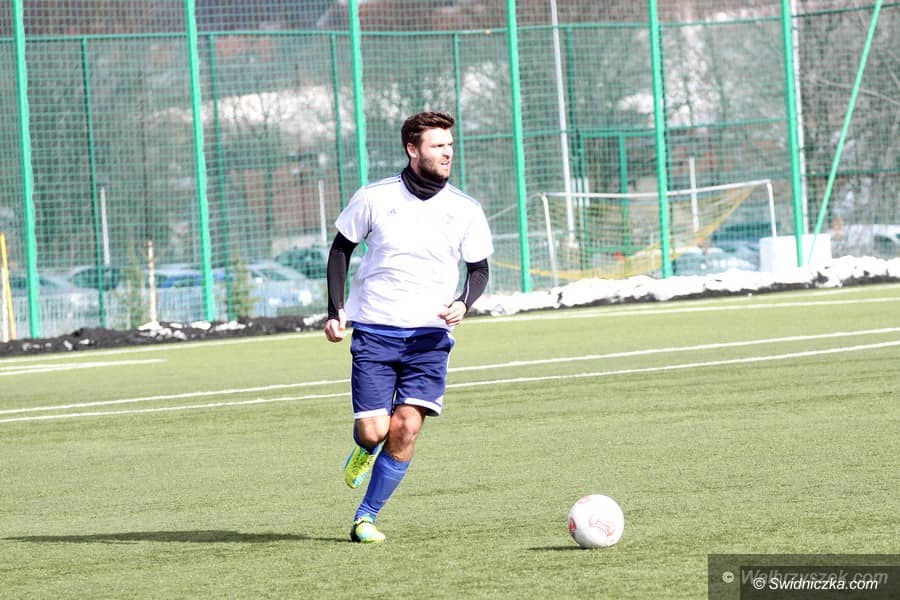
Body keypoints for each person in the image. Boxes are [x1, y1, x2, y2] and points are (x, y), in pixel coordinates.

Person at [324, 111, 493, 543]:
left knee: (405, 429)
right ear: (412, 149)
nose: (447, 152)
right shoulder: (374, 197)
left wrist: (464, 303)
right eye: (438, 146)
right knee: (374, 430)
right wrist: (336, 309)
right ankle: (364, 448)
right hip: (376, 331)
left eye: (450, 145)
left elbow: (479, 269)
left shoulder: (465, 209)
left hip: (429, 339)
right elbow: (341, 250)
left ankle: (366, 517)